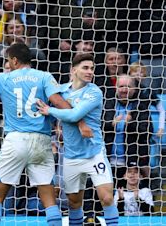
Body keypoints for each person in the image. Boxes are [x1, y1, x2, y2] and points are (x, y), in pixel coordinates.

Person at [0, 43, 93, 226]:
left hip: (15, 139)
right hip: (42, 140)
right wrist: (80, 122)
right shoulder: (44, 77)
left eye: (9, 60)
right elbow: (59, 102)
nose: (8, 64)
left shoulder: (4, 78)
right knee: (49, 199)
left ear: (15, 60)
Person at [37, 53, 119, 226]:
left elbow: (74, 115)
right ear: (74, 70)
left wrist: (50, 111)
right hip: (71, 156)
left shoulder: (94, 92)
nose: (90, 72)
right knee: (74, 202)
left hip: (94, 153)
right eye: (85, 68)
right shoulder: (61, 91)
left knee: (106, 197)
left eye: (92, 68)